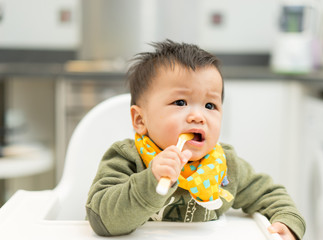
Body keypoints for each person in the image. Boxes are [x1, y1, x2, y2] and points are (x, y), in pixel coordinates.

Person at [86, 39, 306, 239]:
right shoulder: (127, 157)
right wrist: (150, 181)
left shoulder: (226, 166)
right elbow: (101, 219)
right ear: (140, 120)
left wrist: (286, 220)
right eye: (180, 103)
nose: (198, 116)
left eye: (210, 105)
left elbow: (269, 193)